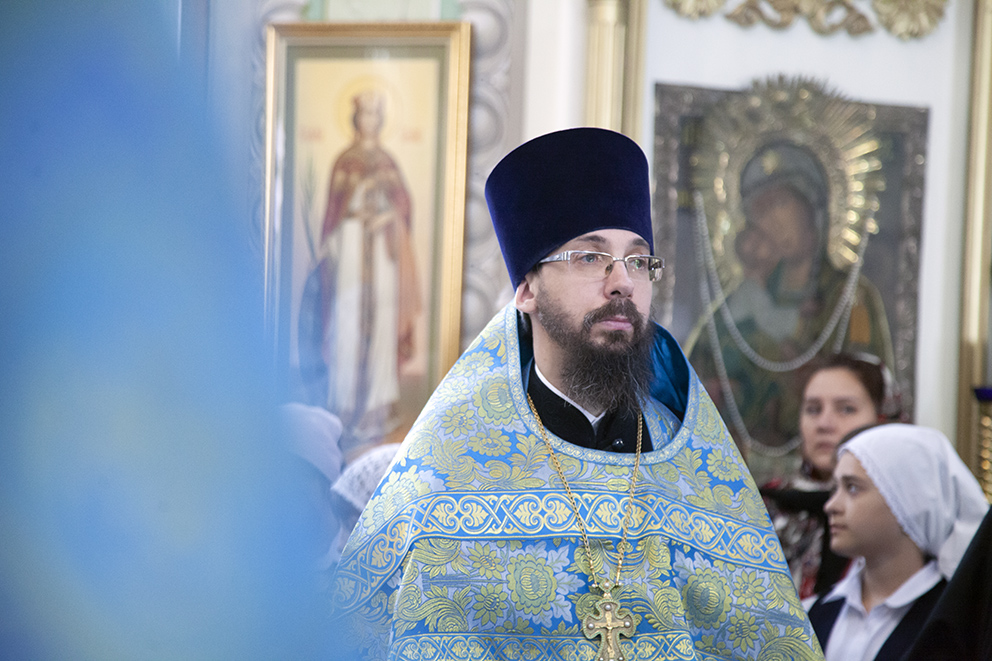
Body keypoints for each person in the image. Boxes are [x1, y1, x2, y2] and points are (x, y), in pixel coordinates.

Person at [329, 128, 822, 660]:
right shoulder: (443, 471)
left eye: (639, 261)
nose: (622, 282)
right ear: (527, 289)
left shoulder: (699, 469)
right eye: (590, 257)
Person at [687, 142, 893, 458]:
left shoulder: (851, 298)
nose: (771, 222)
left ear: (814, 210)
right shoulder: (740, 302)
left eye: (780, 204)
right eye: (760, 211)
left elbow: (871, 388)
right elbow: (696, 374)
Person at [305, 89, 422, 461]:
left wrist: (387, 218)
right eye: (364, 114)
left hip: (383, 257)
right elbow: (333, 215)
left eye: (375, 114)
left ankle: (375, 410)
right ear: (356, 118)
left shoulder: (388, 162)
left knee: (382, 327)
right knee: (347, 325)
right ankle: (342, 407)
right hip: (351, 253)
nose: (369, 120)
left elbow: (404, 208)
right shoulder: (345, 162)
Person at [809, 424, 989, 661]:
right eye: (835, 488)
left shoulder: (954, 622)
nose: (831, 505)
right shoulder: (814, 612)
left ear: (909, 502)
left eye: (852, 488)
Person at [761, 353, 888, 600]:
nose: (824, 423)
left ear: (881, 420)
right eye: (813, 409)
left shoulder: (895, 515)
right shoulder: (763, 505)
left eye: (846, 409)